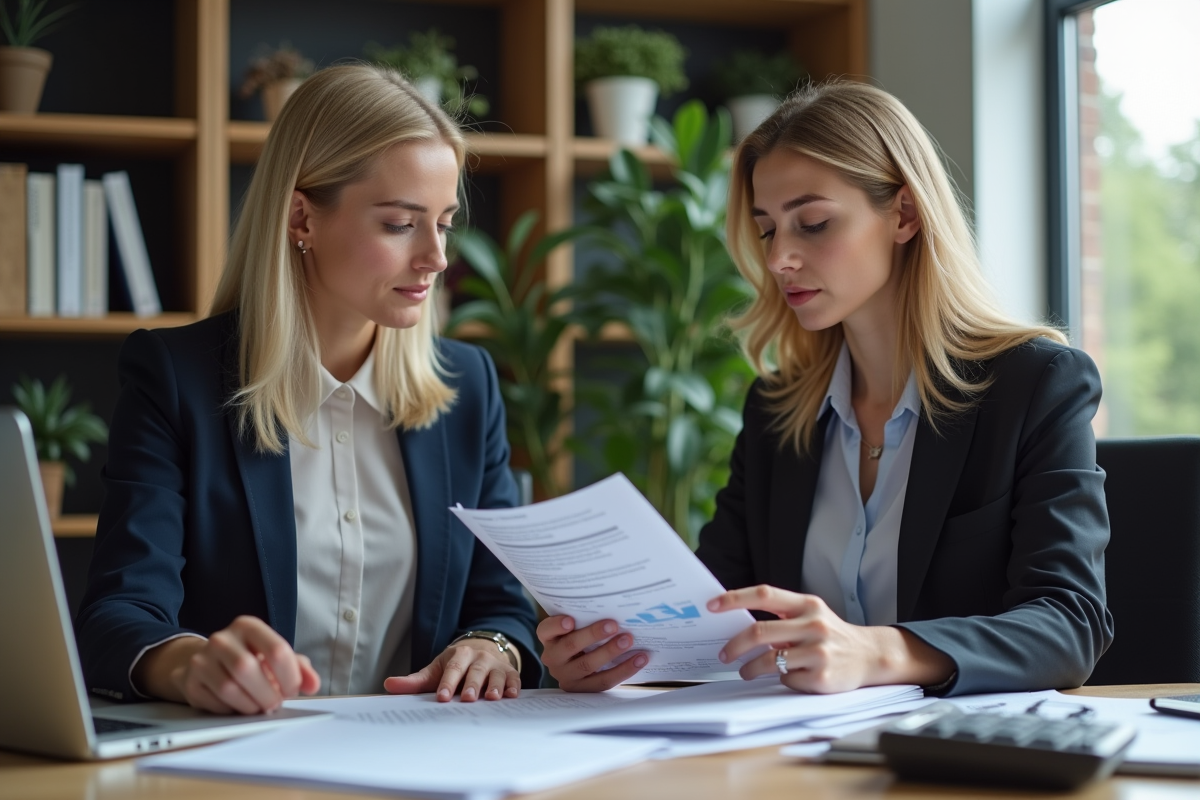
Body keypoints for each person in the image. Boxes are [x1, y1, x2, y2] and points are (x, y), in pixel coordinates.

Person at [538, 80, 1113, 697]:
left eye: (812, 224)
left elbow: (1070, 624)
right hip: (795, 760)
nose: (780, 257)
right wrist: (617, 658)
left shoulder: (1034, 384)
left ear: (905, 214)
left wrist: (877, 652)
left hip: (954, 761)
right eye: (766, 229)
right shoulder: (779, 408)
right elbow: (719, 617)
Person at [76, 65, 541, 714]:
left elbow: (502, 605)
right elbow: (118, 615)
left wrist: (493, 646)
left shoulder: (468, 385)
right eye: (401, 224)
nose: (437, 257)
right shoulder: (174, 377)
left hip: (430, 759)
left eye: (444, 222)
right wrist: (188, 665)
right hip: (242, 762)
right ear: (302, 217)